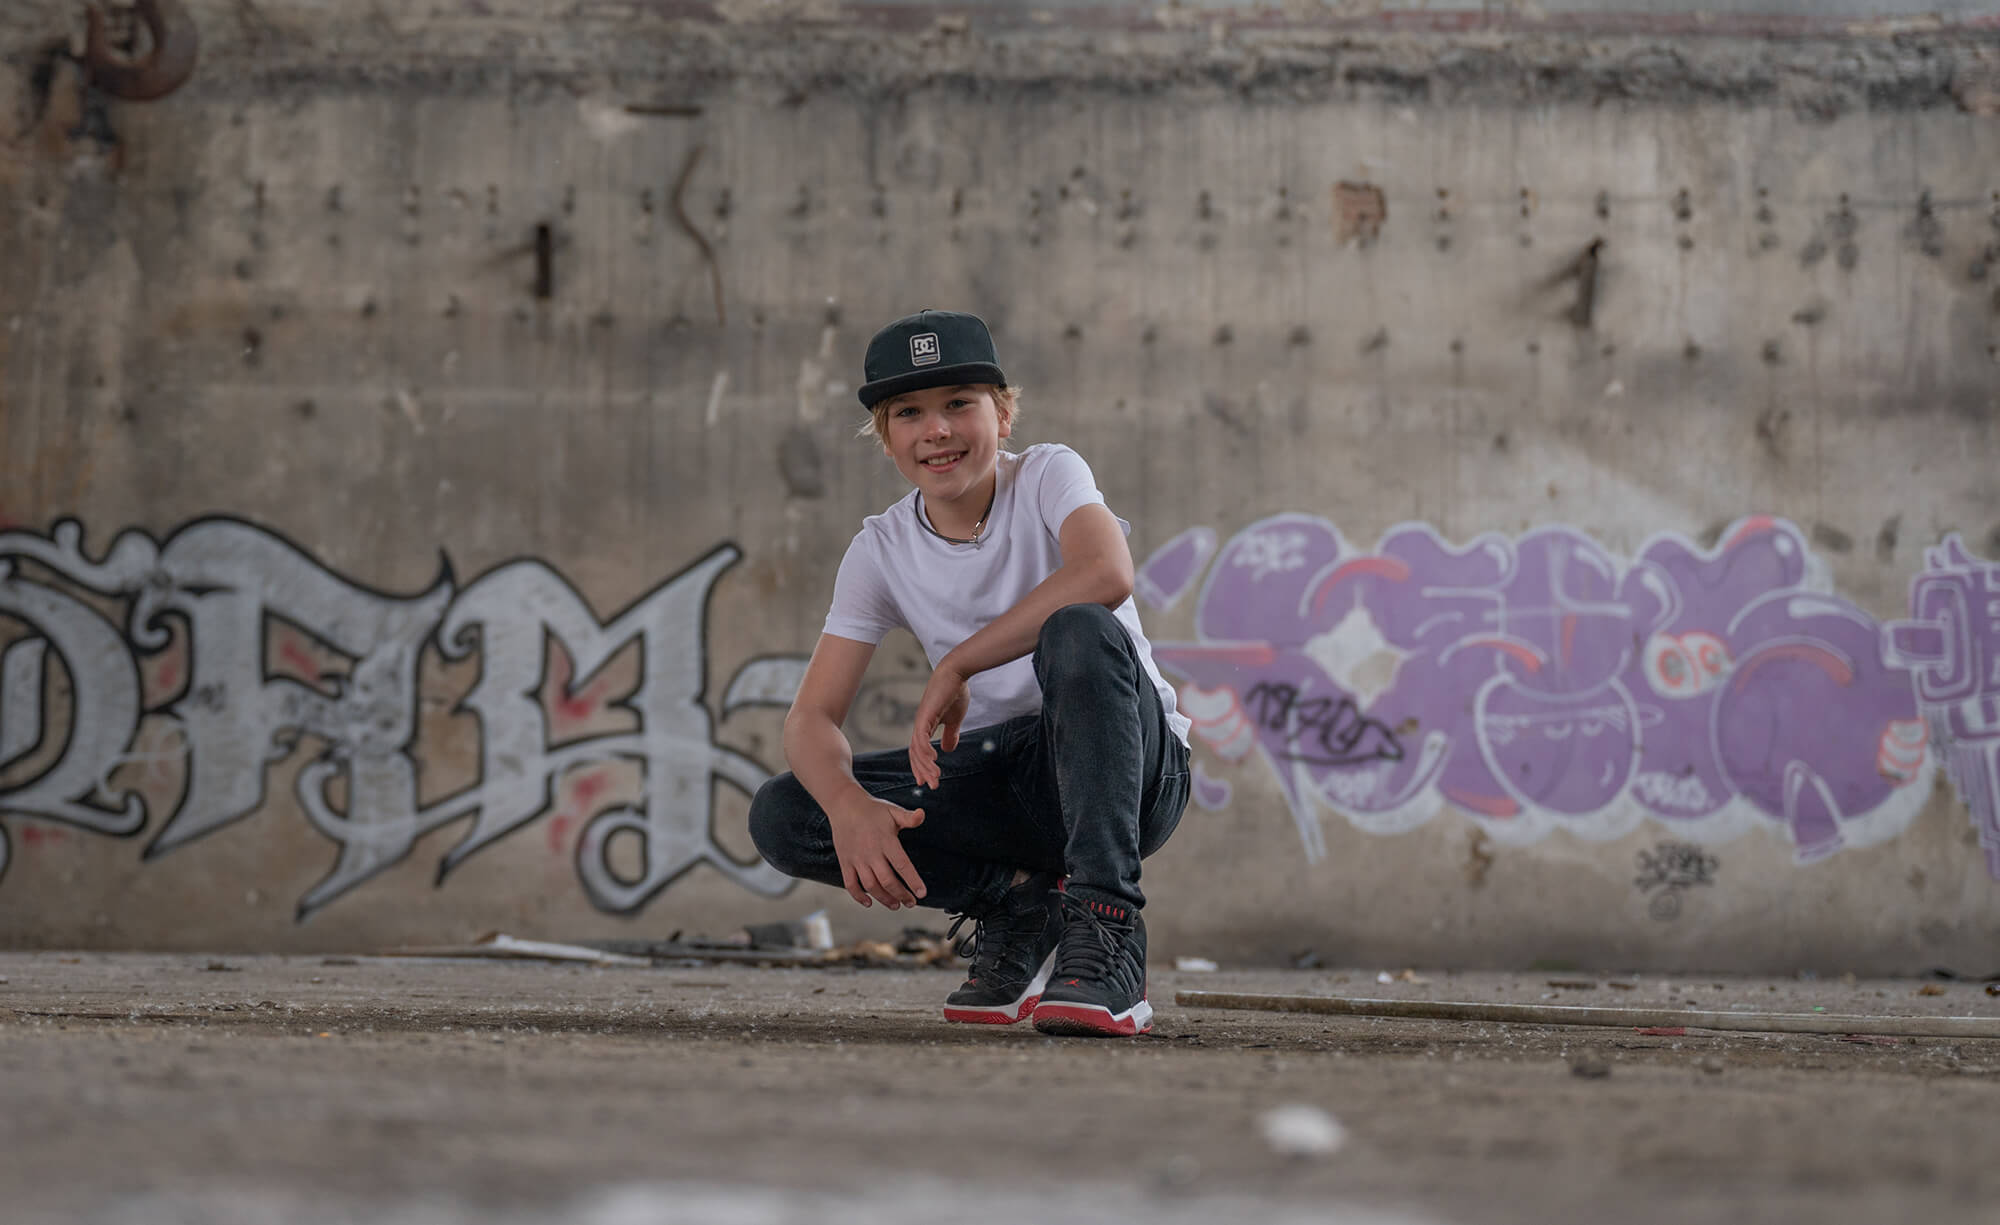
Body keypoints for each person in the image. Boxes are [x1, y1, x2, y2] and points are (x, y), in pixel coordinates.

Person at [748, 308, 1193, 1038]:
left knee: (1078, 629)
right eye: (909, 413)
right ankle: (1017, 901)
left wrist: (958, 662)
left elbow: (1105, 571)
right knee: (787, 811)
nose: (937, 429)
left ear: (1003, 414)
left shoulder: (1049, 474)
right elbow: (811, 718)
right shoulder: (881, 550)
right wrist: (848, 804)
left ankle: (1106, 924)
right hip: (1006, 783)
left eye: (959, 403)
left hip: (1133, 771)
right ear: (886, 437)